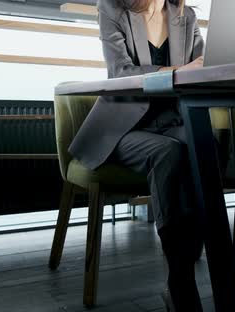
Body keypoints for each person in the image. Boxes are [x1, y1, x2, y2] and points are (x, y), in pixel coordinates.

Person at [68, 0, 206, 310]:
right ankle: (181, 282)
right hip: (123, 127)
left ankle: (190, 259)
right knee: (168, 153)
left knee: (206, 146)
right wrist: (178, 71)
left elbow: (203, 69)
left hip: (171, 120)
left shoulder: (186, 15)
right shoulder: (112, 9)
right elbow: (120, 71)